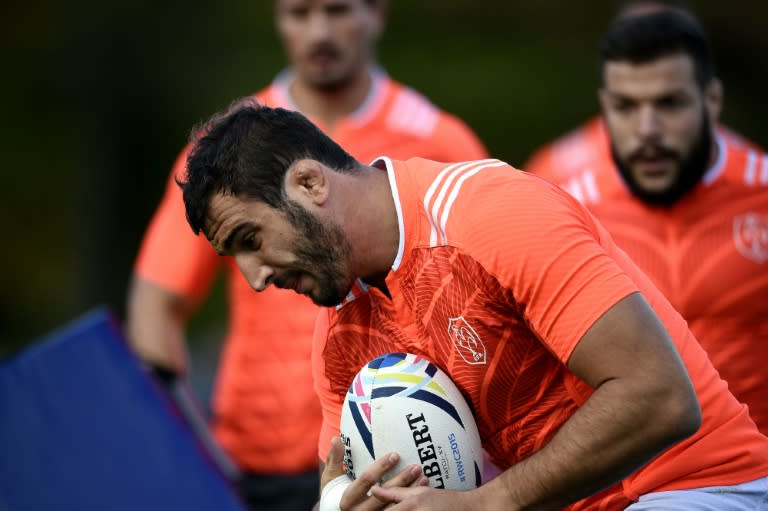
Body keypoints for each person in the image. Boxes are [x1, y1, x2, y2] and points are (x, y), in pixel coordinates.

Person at [178, 98, 768, 510]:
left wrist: (492, 503)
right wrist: (340, 503)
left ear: (310, 184)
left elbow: (662, 398)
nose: (254, 279)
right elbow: (342, 482)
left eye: (250, 241)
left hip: (696, 486)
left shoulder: (490, 212)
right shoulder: (340, 336)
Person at [126, 0, 487, 509]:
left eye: (338, 10)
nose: (320, 31)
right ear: (277, 17)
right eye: (299, 12)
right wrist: (193, 450)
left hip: (395, 458)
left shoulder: (438, 138)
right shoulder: (223, 154)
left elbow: (485, 294)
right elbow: (156, 305)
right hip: (256, 460)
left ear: (377, 13)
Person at [525, 9, 768, 436]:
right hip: (630, 488)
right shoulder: (560, 208)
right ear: (604, 107)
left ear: (712, 100)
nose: (647, 130)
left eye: (669, 104)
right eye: (626, 107)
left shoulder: (761, 192)